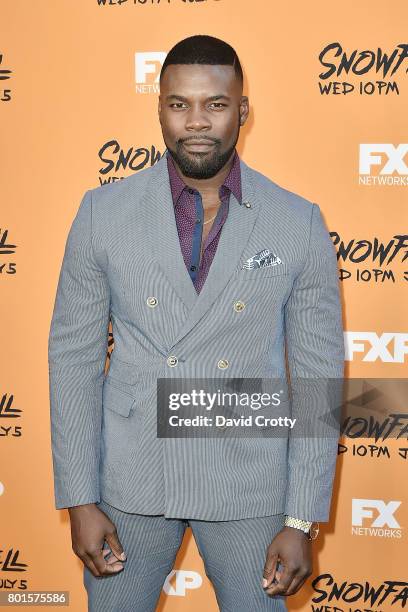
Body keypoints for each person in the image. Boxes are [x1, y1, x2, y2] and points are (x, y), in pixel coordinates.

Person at [48, 34, 344, 611]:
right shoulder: (100, 214)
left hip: (247, 482)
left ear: (242, 110)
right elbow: (74, 361)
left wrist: (303, 519)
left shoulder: (296, 222)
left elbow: (318, 379)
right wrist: (79, 499)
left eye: (215, 104)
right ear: (159, 108)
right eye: (179, 104)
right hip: (129, 479)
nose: (197, 122)